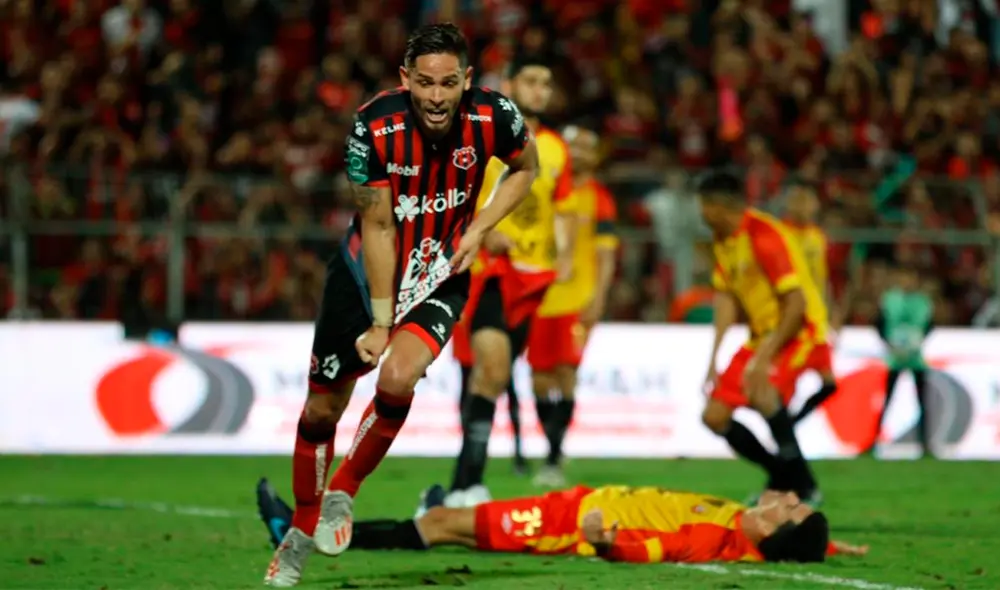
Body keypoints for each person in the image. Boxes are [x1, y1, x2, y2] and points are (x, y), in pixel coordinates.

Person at [265, 23, 539, 588]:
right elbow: (380, 225)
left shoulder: (497, 116)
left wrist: (481, 227)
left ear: (466, 79)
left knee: (399, 376)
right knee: (321, 412)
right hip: (366, 279)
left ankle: (343, 490)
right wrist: (381, 320)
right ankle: (300, 528)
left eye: (447, 83)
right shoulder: (373, 126)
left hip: (442, 272)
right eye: (424, 83)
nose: (436, 97)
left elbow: (526, 169)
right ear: (404, 80)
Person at [445, 54, 575, 508]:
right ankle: (466, 483)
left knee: (493, 377)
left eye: (547, 82)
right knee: (492, 368)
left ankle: (462, 484)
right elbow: (451, 189)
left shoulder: (557, 149)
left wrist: (565, 258)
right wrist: (480, 227)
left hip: (534, 278)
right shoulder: (481, 131)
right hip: (487, 269)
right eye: (532, 79)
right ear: (511, 84)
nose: (541, 89)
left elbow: (558, 210)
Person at [257, 479, 869, 564]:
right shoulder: (743, 521)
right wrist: (835, 547)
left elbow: (654, 548)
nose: (785, 495)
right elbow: (800, 542)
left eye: (790, 507)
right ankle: (307, 531)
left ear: (774, 530)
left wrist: (606, 543)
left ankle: (299, 534)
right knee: (445, 518)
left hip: (566, 523)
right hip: (569, 505)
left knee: (444, 522)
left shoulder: (717, 537)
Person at [697, 171, 827, 505]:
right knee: (714, 416)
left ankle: (805, 489)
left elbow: (796, 303)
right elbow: (725, 299)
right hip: (761, 336)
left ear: (717, 206)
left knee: (763, 394)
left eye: (703, 206)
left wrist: (765, 357)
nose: (700, 213)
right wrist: (714, 359)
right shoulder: (723, 241)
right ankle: (784, 478)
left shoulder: (763, 235)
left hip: (796, 332)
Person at [526, 122, 619, 487]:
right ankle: (553, 446)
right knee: (537, 379)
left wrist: (598, 298)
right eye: (573, 146)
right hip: (536, 297)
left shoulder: (600, 198)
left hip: (575, 300)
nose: (578, 153)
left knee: (565, 376)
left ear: (596, 157)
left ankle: (552, 456)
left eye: (586, 148)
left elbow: (606, 255)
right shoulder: (543, 188)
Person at [781, 180, 839, 424]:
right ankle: (783, 434)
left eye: (809, 201)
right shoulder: (780, 233)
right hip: (788, 319)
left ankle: (791, 424)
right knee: (784, 384)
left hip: (814, 320)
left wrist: (831, 314)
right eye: (799, 201)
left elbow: (822, 279)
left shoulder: (817, 237)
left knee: (829, 385)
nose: (805, 207)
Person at [872, 263, 934, 455]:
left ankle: (925, 444)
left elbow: (930, 325)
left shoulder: (923, 301)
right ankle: (874, 441)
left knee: (922, 402)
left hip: (915, 358)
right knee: (887, 400)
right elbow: (878, 323)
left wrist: (920, 340)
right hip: (895, 358)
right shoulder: (889, 299)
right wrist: (888, 343)